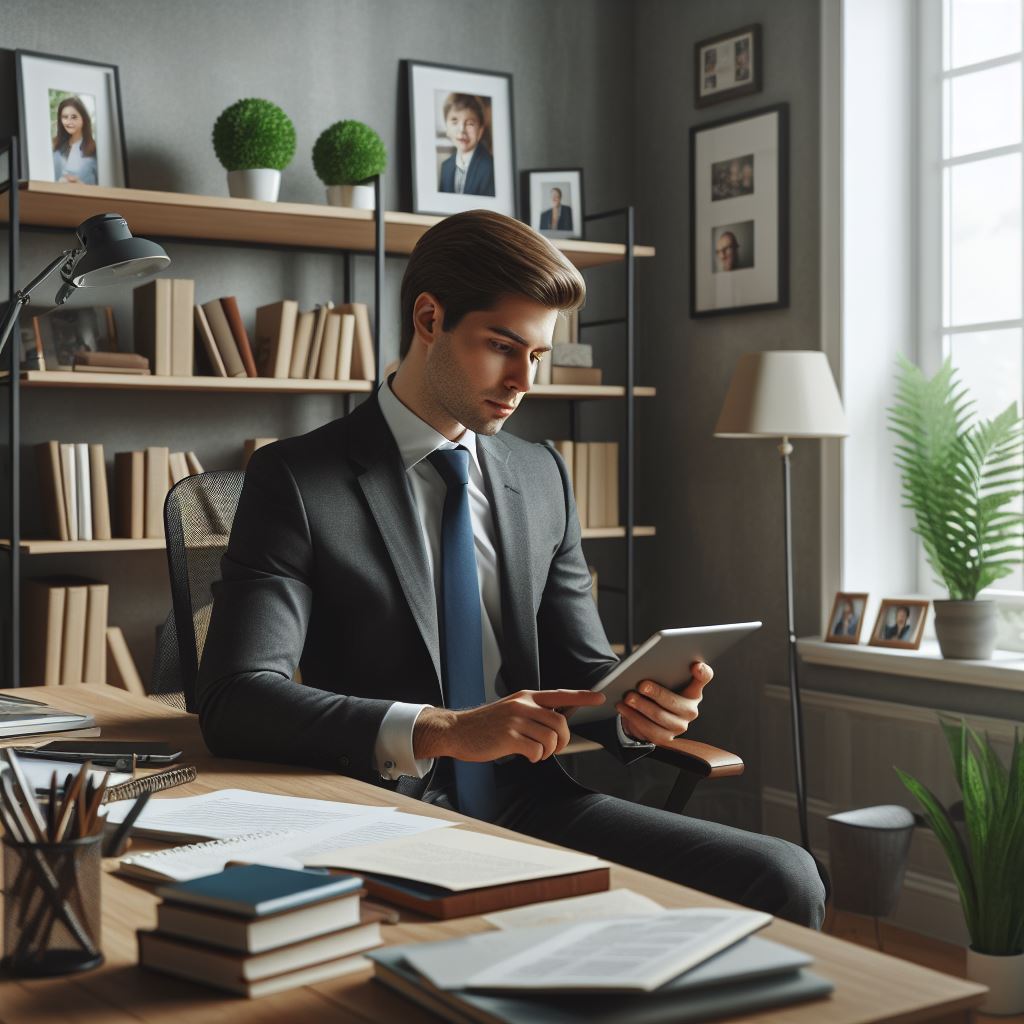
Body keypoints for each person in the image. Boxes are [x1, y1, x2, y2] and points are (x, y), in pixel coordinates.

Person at [197, 209, 825, 929]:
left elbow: (584, 671)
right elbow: (237, 699)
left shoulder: (541, 475)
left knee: (785, 874)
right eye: (502, 346)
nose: (523, 380)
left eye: (538, 355)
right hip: (386, 813)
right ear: (429, 318)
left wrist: (638, 710)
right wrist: (444, 730)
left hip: (534, 803)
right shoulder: (298, 479)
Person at [438, 94, 495, 197]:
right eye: (454, 122)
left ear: (480, 130)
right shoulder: (446, 167)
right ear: (447, 128)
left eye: (470, 124)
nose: (462, 130)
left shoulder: (490, 167)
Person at [52, 96, 98, 185]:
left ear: (83, 118)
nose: (69, 122)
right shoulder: (54, 145)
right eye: (65, 117)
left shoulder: (95, 149)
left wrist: (81, 186)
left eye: (74, 117)